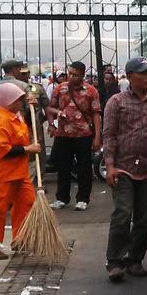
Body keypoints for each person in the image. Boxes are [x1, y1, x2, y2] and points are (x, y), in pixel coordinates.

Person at [103, 57, 147, 281]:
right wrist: (110, 165)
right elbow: (109, 135)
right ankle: (114, 261)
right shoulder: (116, 102)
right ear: (130, 76)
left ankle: (135, 259)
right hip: (123, 167)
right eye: (143, 73)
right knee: (122, 213)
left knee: (144, 218)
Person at [0, 83, 40, 260]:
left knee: (27, 202)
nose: (19, 103)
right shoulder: (0, 121)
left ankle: (20, 239)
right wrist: (27, 149)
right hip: (2, 174)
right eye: (16, 100)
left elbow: (28, 125)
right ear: (5, 100)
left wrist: (31, 109)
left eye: (21, 99)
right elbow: (2, 150)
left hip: (18, 172)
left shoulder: (15, 115)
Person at [49, 61, 101, 211]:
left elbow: (96, 114)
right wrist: (53, 121)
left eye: (75, 75)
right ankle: (62, 198)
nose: (71, 77)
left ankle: (83, 198)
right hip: (63, 134)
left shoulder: (91, 91)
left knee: (84, 167)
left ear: (82, 75)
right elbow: (50, 107)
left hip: (84, 134)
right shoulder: (60, 88)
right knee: (63, 167)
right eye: (70, 73)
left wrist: (97, 136)